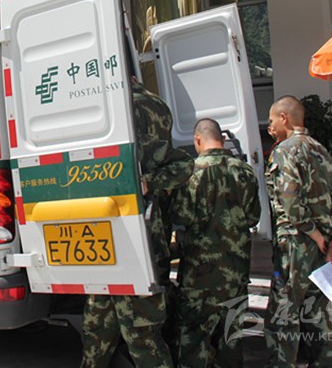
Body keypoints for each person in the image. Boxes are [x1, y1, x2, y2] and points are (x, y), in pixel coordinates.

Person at [80, 78, 193, 368]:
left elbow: (182, 165)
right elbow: (180, 164)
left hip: (131, 239)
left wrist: (145, 181)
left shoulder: (111, 107)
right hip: (121, 239)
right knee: (107, 328)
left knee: (132, 333)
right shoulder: (155, 105)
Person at [264, 95, 332, 367]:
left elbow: (290, 202)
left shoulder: (284, 151)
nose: (270, 127)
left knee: (284, 315)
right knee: (319, 313)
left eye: (272, 120)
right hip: (322, 248)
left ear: (284, 118)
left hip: (295, 245)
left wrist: (315, 235)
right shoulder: (321, 150)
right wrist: (331, 241)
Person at [171, 118, 261, 367]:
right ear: (221, 139)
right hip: (236, 273)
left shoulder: (191, 172)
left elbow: (181, 216)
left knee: (193, 340)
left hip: (200, 277)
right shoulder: (244, 171)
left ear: (198, 140)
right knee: (231, 338)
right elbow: (254, 217)